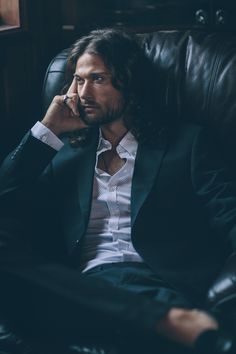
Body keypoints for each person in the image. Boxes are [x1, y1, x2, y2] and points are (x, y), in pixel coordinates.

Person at [0, 28, 236, 354]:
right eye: (78, 80)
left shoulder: (187, 144)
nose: (83, 92)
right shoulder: (65, 153)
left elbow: (230, 214)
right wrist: (48, 129)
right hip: (82, 291)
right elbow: (5, 198)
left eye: (97, 79)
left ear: (130, 83)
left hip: (159, 287)